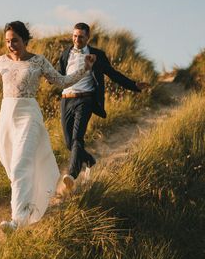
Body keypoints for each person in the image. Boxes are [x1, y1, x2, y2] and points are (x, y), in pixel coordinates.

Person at [0, 21, 96, 233]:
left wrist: (84, 69)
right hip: (7, 117)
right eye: (7, 41)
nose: (11, 44)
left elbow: (61, 81)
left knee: (20, 165)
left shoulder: (38, 61)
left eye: (14, 40)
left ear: (25, 40)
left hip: (28, 116)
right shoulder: (2, 61)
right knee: (12, 166)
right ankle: (26, 206)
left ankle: (18, 219)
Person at [58, 22, 151, 190]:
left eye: (81, 37)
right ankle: (89, 160)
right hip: (66, 99)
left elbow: (112, 73)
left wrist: (134, 85)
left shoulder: (96, 55)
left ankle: (72, 175)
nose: (77, 39)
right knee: (69, 143)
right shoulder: (65, 54)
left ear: (88, 38)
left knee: (77, 139)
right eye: (74, 36)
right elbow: (59, 76)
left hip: (85, 100)